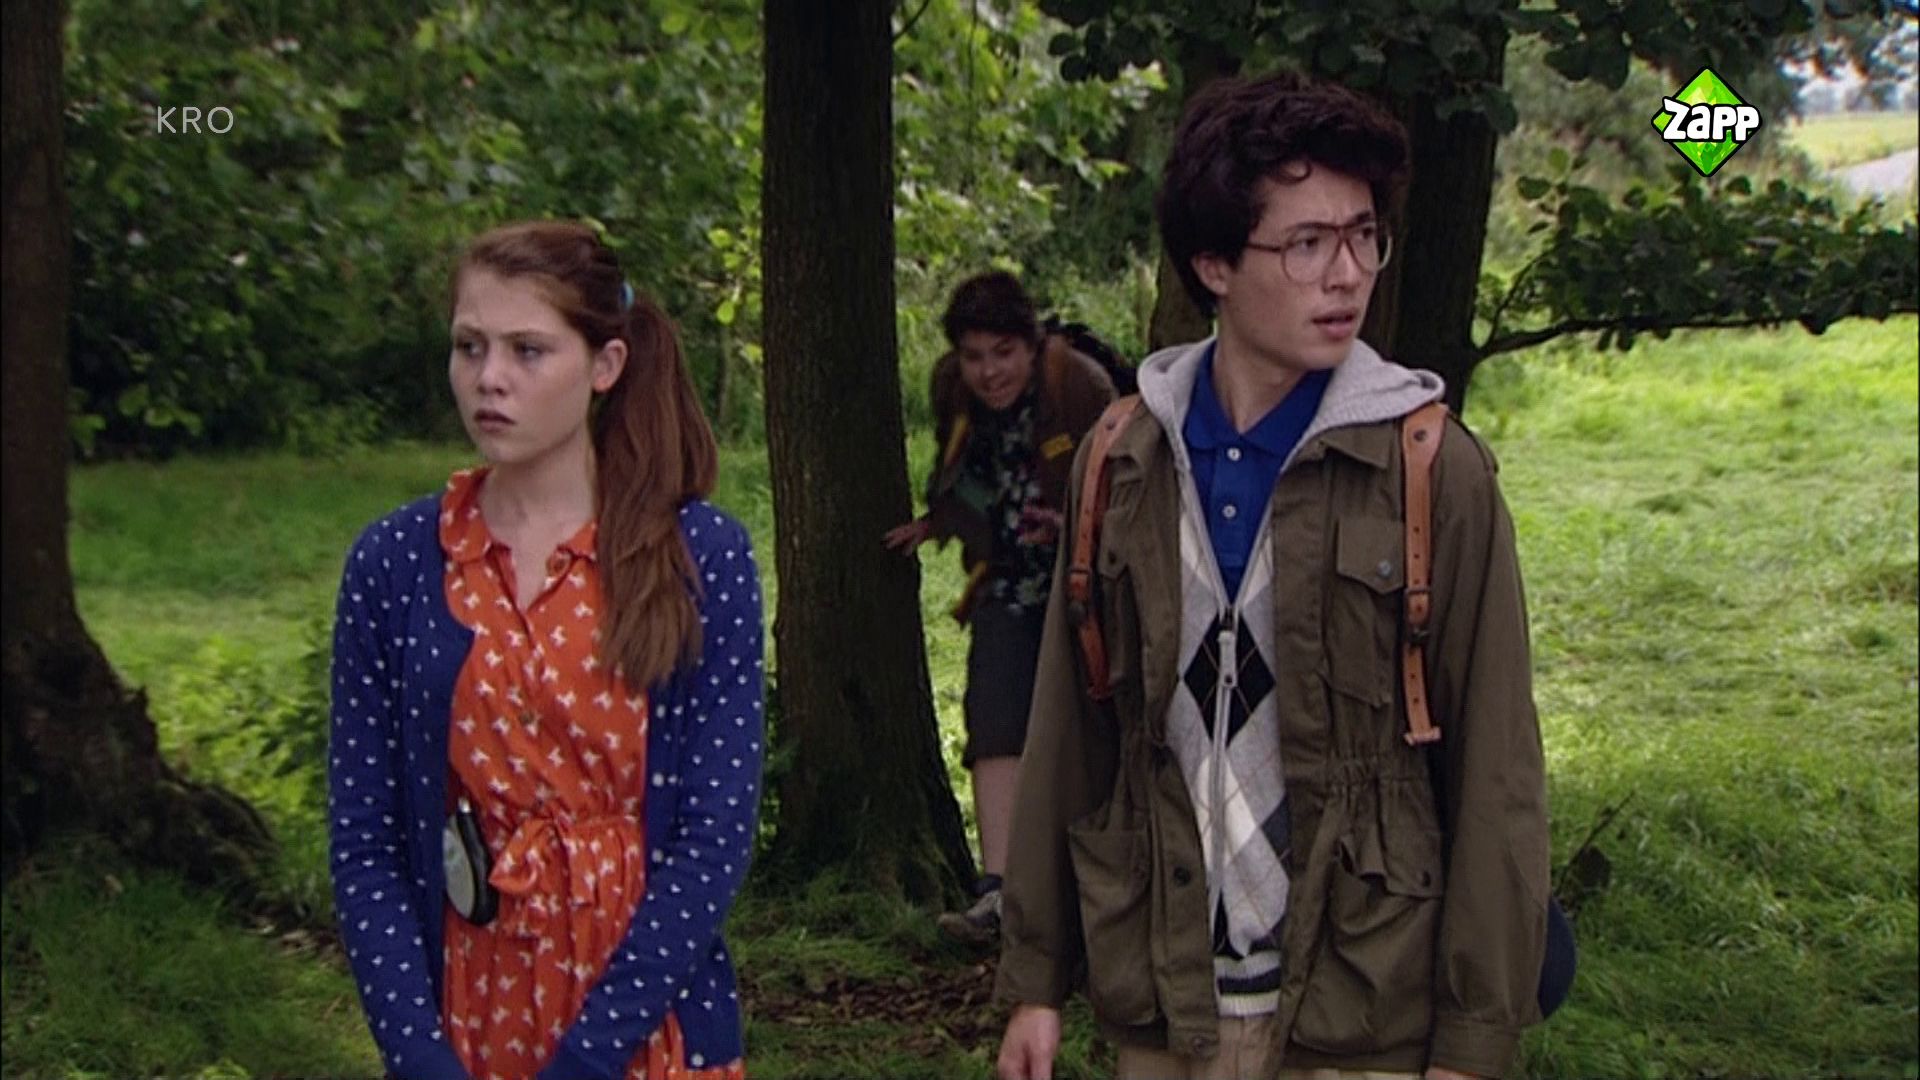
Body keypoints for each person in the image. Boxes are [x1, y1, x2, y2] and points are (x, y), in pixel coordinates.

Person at [993, 73, 1551, 1080]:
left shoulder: (1433, 470)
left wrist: (1475, 1039)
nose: (1348, 274)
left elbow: (1497, 770)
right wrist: (1036, 975)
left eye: (1364, 235)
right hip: (1164, 1005)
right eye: (1307, 243)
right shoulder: (1123, 460)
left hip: (1359, 1012)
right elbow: (1072, 728)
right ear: (1213, 263)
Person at [328, 221, 765, 1080]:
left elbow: (712, 839)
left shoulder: (698, 558)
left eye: (527, 350)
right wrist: (419, 1058)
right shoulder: (396, 565)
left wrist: (588, 1061)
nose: (489, 378)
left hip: (644, 1022)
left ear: (605, 365)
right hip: (467, 1016)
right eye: (469, 346)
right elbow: (365, 840)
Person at [883, 271, 1116, 943]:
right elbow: (964, 467)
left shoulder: (1079, 386)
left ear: (1031, 343)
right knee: (992, 715)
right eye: (975, 355)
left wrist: (1072, 529)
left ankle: (1096, 892)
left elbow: (1126, 483)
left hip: (1088, 583)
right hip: (1005, 580)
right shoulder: (953, 390)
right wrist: (939, 520)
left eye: (1003, 353)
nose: (989, 372)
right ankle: (1000, 892)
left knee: (1089, 725)